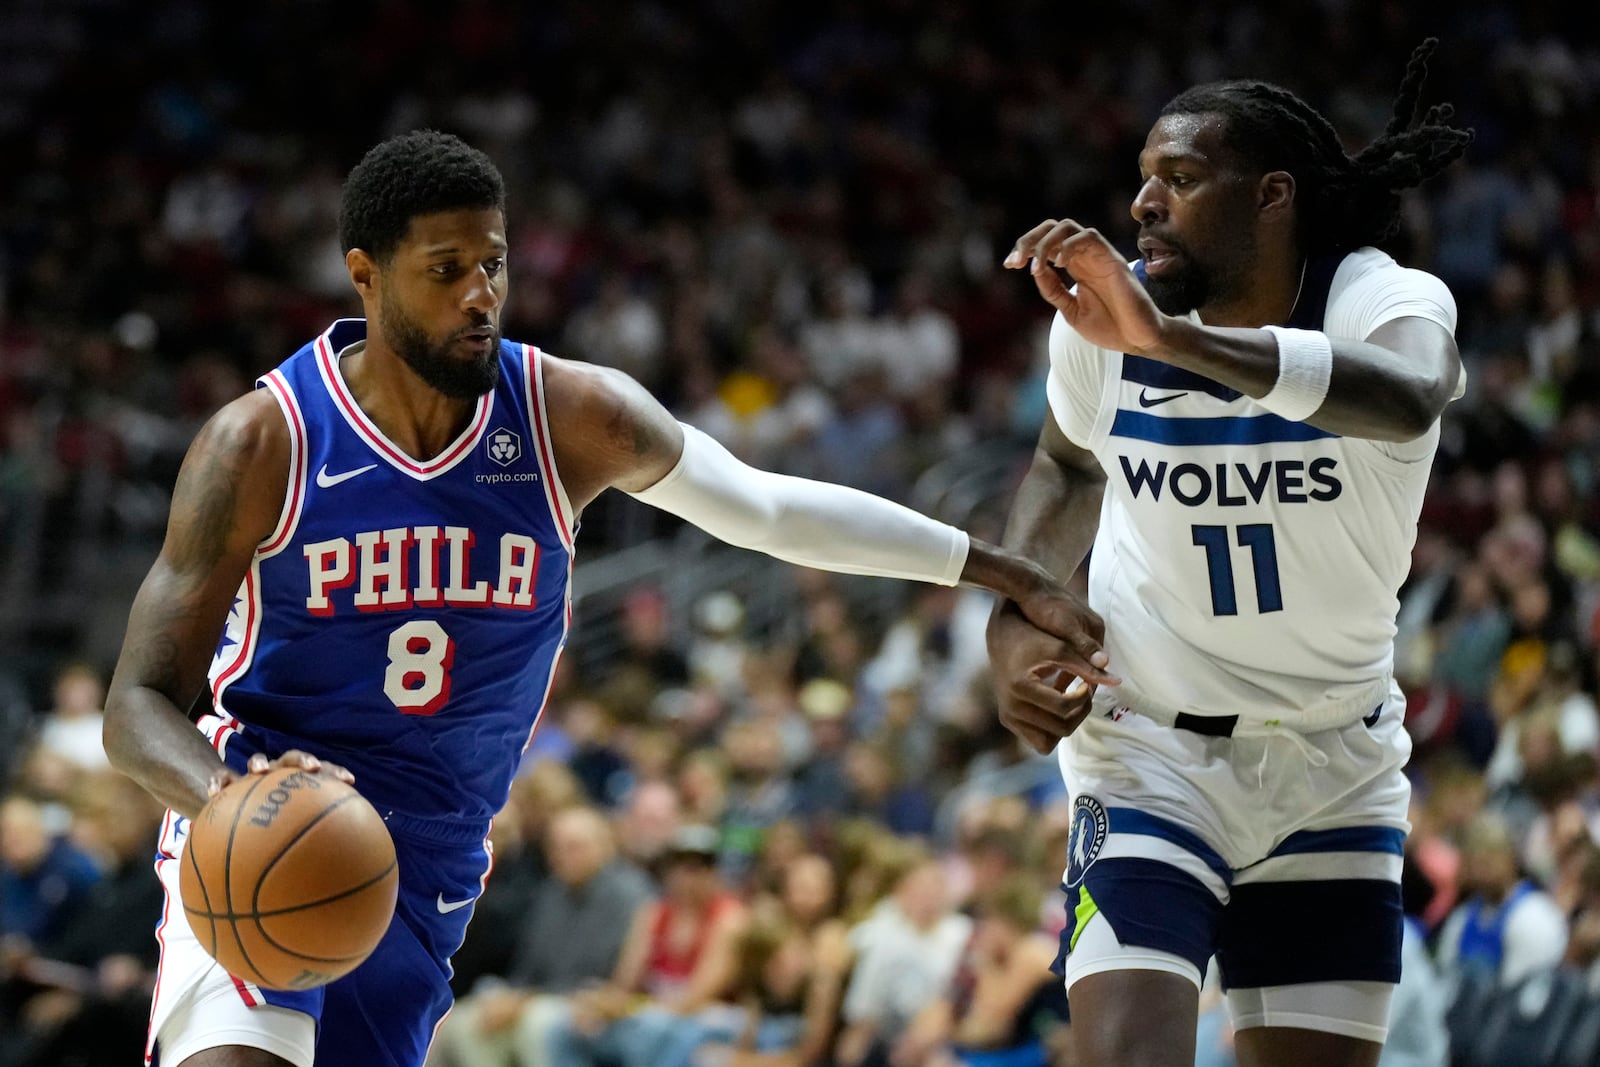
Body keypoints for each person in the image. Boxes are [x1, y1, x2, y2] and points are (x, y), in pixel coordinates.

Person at [101, 129, 1102, 1067]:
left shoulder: (568, 415)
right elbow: (136, 702)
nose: (478, 293)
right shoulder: (263, 440)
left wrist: (999, 565)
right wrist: (232, 803)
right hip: (261, 816)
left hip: (429, 859)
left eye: (492, 262)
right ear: (366, 275)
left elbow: (766, 509)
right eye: (444, 270)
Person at [984, 39, 1474, 1067]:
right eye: (1142, 182)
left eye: (1181, 177)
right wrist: (1009, 624)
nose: (1143, 205)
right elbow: (1068, 469)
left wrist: (1176, 346)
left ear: (1271, 195)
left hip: (1332, 764)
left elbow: (1408, 394)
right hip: (1148, 751)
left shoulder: (1380, 296)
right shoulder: (1100, 326)